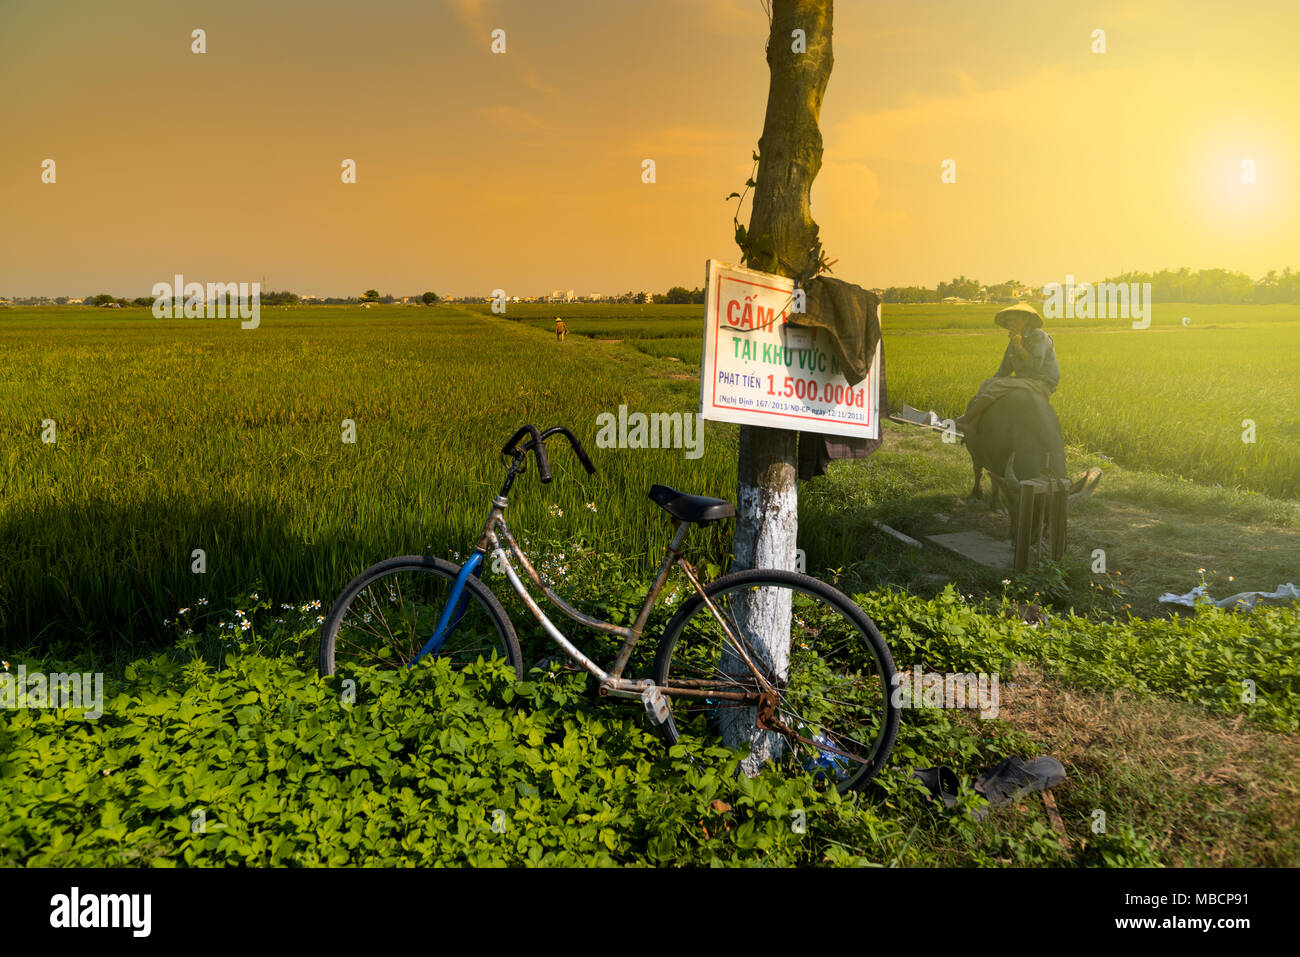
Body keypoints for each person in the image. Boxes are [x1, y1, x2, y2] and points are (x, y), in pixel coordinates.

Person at [954, 302, 1059, 439]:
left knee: (998, 385)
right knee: (989, 383)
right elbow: (1004, 370)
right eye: (1008, 320)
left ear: (1026, 319)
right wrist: (990, 382)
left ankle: (968, 419)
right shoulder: (1014, 341)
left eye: (1014, 319)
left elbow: (1036, 365)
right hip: (1025, 381)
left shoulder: (1039, 336)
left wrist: (1019, 347)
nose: (1010, 323)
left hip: (1041, 382)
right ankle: (973, 422)